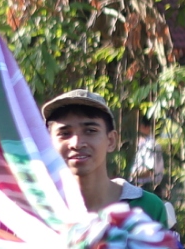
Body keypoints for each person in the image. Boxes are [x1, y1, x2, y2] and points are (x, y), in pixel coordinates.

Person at [43, 89, 174, 226]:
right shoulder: (39, 210)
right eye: (65, 133)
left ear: (111, 141)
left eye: (90, 131)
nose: (77, 143)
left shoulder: (147, 207)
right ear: (47, 143)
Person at [131, 111, 169, 194]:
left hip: (148, 188)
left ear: (146, 127)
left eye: (140, 126)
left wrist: (131, 175)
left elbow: (149, 171)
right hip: (140, 187)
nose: (138, 129)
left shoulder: (151, 145)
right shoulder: (143, 143)